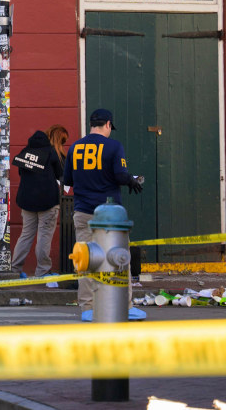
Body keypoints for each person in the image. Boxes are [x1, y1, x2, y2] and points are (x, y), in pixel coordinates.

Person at [62, 108, 145, 322]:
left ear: (91, 125)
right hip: (111, 217)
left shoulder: (75, 147)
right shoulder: (114, 146)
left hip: (83, 212)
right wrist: (130, 180)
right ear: (108, 124)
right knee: (119, 259)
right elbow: (119, 174)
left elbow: (68, 181)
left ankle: (89, 308)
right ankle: (124, 307)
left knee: (87, 260)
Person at [11, 129, 63, 279]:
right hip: (48, 201)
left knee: (26, 235)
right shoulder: (51, 152)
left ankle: (15, 269)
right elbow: (60, 172)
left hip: (27, 201)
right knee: (44, 236)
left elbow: (22, 173)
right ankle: (43, 271)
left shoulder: (25, 153)